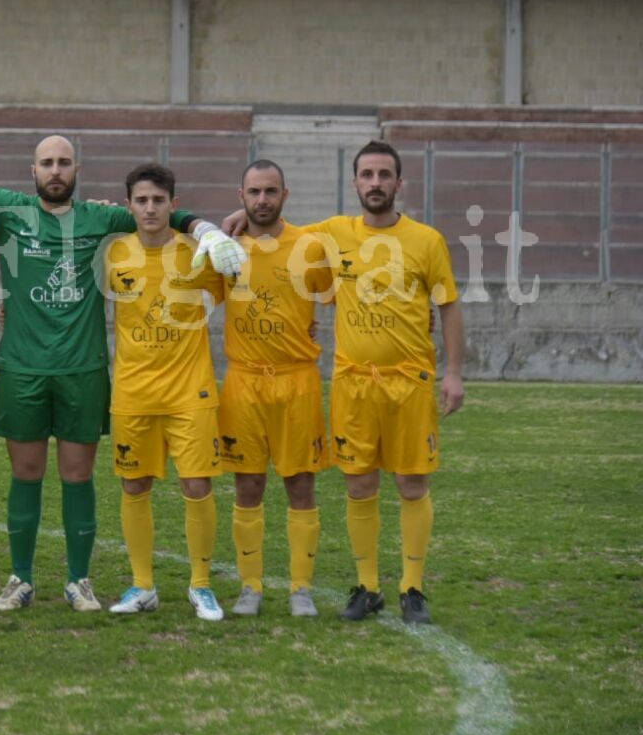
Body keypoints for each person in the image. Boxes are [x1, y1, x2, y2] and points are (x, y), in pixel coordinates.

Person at [0, 135, 241, 613]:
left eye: (63, 162)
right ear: (32, 170)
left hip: (83, 369)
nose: (55, 170)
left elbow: (159, 210)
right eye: (46, 162)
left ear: (77, 169)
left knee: (78, 475)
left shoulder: (103, 218)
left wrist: (207, 228)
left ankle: (79, 580)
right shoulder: (9, 212)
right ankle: (20, 578)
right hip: (23, 367)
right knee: (25, 475)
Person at [312, 142, 463, 624]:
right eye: (366, 174)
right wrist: (235, 215)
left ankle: (412, 589)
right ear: (354, 182)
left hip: (410, 383)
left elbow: (449, 307)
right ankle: (368, 587)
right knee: (359, 485)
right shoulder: (334, 233)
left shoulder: (427, 240)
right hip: (353, 384)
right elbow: (276, 232)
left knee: (412, 482)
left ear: (400, 184)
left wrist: (454, 372)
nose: (375, 182)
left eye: (384, 174)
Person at [104, 163, 229, 622]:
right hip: (133, 392)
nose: (150, 208)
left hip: (189, 392)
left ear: (174, 204)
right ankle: (142, 586)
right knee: (134, 485)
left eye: (159, 200)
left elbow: (241, 290)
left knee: (197, 485)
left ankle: (201, 585)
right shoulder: (113, 253)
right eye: (142, 200)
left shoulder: (200, 253)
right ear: (129, 206)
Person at [219, 160, 334, 618]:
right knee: (247, 486)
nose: (262, 199)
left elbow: (338, 294)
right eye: (254, 191)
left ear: (285, 195)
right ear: (241, 195)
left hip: (297, 380)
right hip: (244, 380)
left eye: (270, 191)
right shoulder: (226, 249)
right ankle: (250, 587)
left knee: (300, 485)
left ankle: (300, 588)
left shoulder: (309, 247)